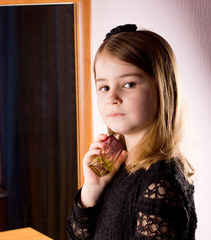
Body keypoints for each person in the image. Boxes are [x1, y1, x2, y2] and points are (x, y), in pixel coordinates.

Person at [66, 24, 197, 239]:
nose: (112, 98)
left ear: (164, 87)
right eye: (104, 87)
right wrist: (92, 189)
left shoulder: (161, 183)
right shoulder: (116, 168)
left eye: (128, 84)